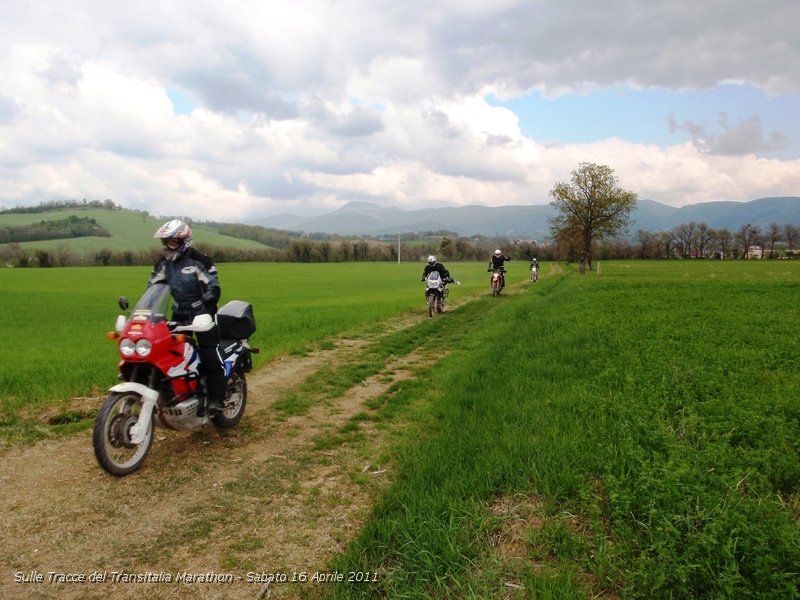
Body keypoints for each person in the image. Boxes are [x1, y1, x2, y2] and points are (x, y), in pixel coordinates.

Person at [148, 219, 226, 413]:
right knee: (172, 355)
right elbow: (153, 287)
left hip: (202, 313)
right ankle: (178, 395)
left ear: (184, 241)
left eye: (173, 241)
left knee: (209, 354)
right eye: (166, 241)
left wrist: (210, 297)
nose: (168, 245)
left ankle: (217, 399)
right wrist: (148, 310)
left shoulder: (200, 260)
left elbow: (213, 285)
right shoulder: (163, 264)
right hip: (178, 314)